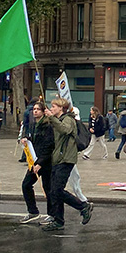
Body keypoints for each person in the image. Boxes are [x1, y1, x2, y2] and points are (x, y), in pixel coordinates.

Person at [42, 98, 93, 230]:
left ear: (61, 108)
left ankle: (83, 206)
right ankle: (58, 220)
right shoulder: (57, 120)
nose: (52, 108)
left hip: (66, 159)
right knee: (54, 191)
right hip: (58, 159)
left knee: (57, 189)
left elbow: (65, 130)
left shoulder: (68, 119)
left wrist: (52, 118)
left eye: (54, 106)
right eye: (52, 106)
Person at [19, 101, 54, 224]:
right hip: (35, 160)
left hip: (45, 161)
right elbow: (34, 139)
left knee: (48, 187)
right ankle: (33, 211)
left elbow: (48, 146)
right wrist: (26, 139)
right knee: (26, 184)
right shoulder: (34, 124)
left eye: (38, 109)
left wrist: (40, 162)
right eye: (34, 109)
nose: (35, 111)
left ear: (43, 111)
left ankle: (52, 214)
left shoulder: (47, 125)